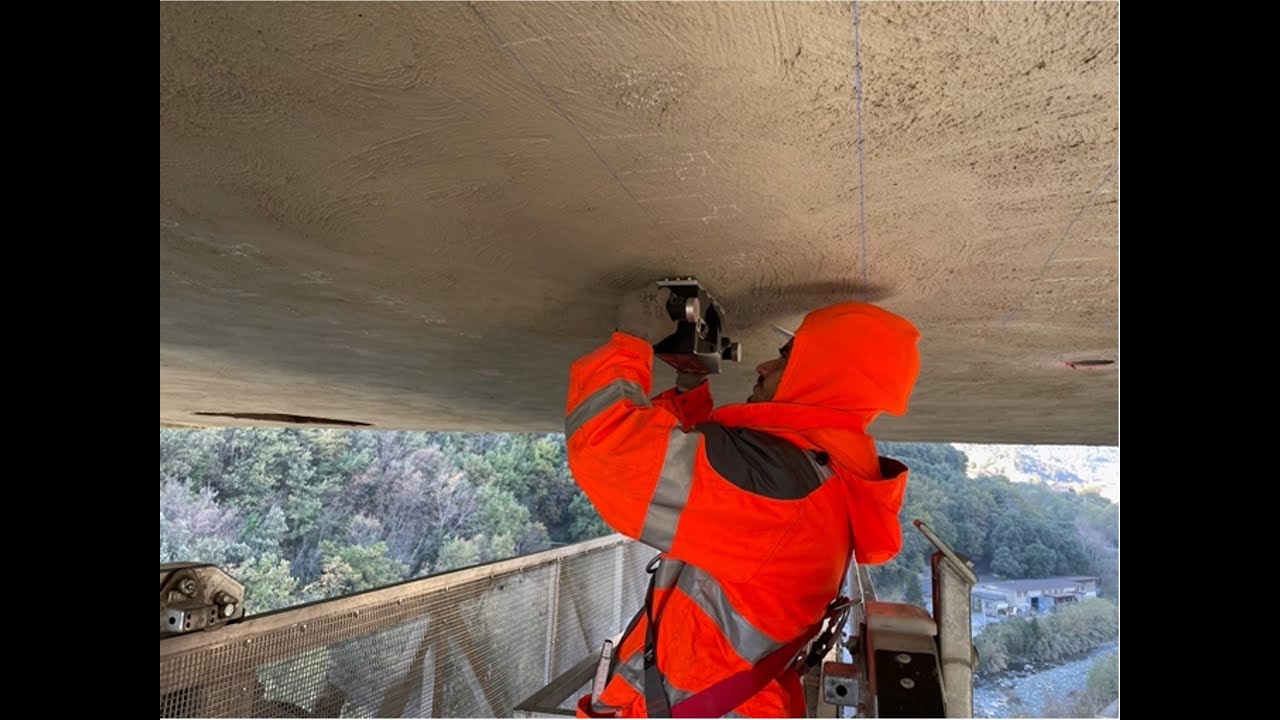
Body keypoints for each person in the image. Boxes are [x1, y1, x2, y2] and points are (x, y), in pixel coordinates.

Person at [564, 301, 922, 718]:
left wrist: (630, 340)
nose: (763, 367)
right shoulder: (819, 483)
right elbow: (711, 476)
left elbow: (609, 447)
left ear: (825, 377)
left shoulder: (784, 489)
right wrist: (688, 392)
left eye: (788, 359)